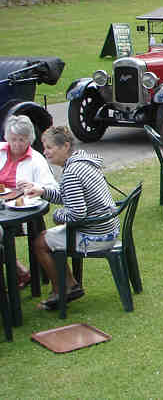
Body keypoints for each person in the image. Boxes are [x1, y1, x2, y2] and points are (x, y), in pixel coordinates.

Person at [23, 126, 119, 311]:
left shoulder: (72, 173)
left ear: (65, 146)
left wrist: (57, 215)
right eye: (44, 147)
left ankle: (63, 290)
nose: (45, 152)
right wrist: (43, 192)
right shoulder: (82, 162)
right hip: (108, 228)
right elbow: (69, 196)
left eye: (49, 147)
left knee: (40, 243)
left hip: (97, 235)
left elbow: (76, 214)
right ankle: (70, 284)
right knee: (46, 237)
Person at [0, 115, 57, 290]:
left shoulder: (36, 159)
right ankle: (20, 271)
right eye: (13, 139)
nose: (16, 144)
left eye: (21, 140)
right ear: (7, 138)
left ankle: (18, 273)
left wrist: (34, 186)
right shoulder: (1, 151)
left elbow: (51, 187)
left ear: (29, 139)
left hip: (21, 210)